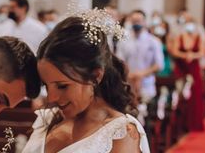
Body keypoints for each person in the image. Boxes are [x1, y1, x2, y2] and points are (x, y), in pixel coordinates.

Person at [22, 13, 150, 153]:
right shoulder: (48, 120)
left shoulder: (121, 133)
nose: (52, 98)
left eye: (62, 86)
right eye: (46, 85)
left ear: (96, 76)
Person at [116, 10, 164, 104]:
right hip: (128, 84)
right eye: (134, 21)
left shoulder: (153, 41)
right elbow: (119, 61)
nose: (136, 23)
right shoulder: (124, 41)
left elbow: (159, 65)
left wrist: (141, 74)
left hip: (147, 85)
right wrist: (130, 75)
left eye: (139, 20)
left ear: (144, 22)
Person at [169, 14, 205, 132]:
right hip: (182, 68)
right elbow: (174, 51)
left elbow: (202, 52)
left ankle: (194, 123)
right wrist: (185, 55)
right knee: (181, 95)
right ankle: (180, 125)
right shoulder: (179, 37)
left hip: (194, 69)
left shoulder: (198, 37)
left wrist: (192, 55)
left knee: (195, 95)